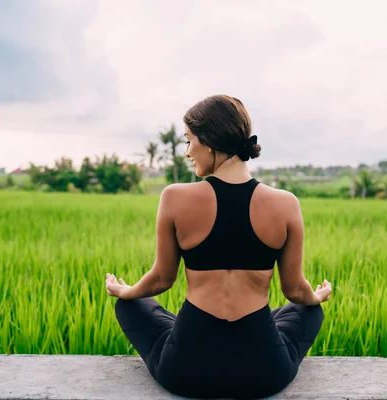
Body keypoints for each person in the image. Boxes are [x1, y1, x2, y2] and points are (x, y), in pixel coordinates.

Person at [105, 94, 332, 399]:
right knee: (310, 310)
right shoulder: (285, 203)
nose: (188, 152)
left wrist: (127, 292)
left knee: (131, 305)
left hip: (185, 371)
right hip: (265, 373)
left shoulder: (174, 197)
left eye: (189, 140)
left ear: (209, 141)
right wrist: (317, 295)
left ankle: (178, 330)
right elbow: (294, 291)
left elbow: (162, 279)